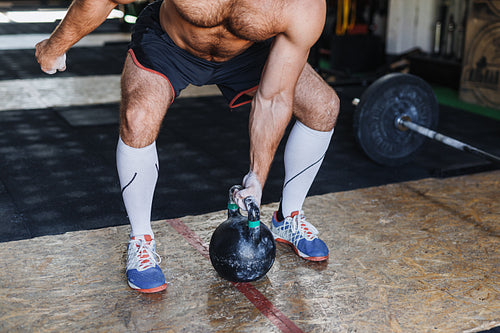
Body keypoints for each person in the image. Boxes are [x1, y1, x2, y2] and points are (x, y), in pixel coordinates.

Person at [35, 0, 340, 293]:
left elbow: (273, 99)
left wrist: (257, 178)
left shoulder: (302, 5)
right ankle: (141, 238)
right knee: (138, 117)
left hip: (249, 53)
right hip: (171, 44)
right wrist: (55, 46)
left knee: (323, 107)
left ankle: (288, 217)